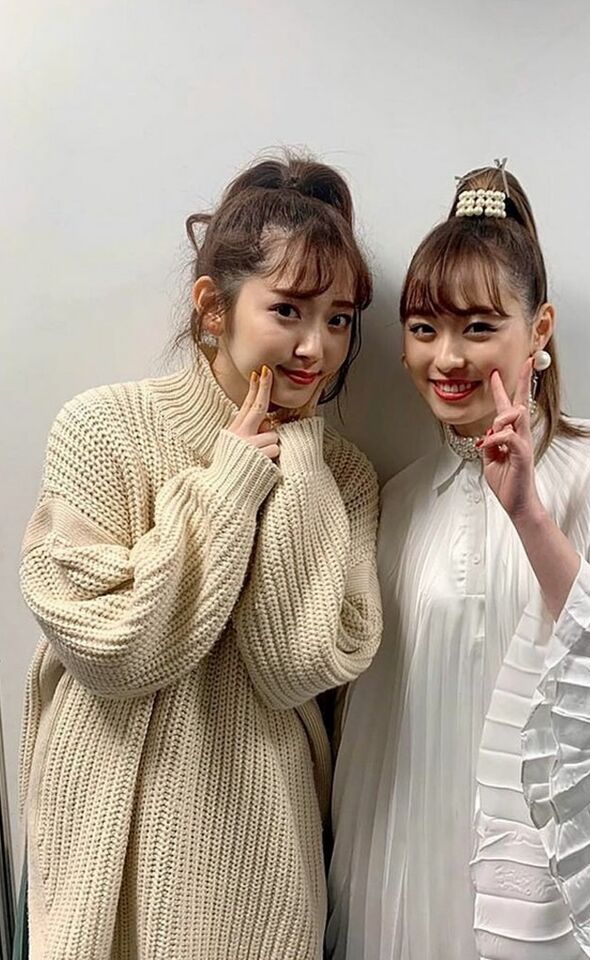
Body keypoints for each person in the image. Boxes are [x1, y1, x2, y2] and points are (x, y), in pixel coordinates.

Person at [326, 162, 590, 960]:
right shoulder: (397, 501)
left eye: (478, 327)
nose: (446, 358)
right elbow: (374, 723)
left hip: (544, 877)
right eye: (423, 328)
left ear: (538, 330)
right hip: (400, 863)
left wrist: (530, 518)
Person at [17, 153, 382, 960]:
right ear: (213, 306)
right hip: (109, 837)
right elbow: (115, 650)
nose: (316, 347)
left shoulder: (344, 476)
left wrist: (300, 464)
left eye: (339, 319)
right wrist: (229, 483)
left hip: (263, 848)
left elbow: (295, 666)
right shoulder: (102, 429)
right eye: (288, 310)